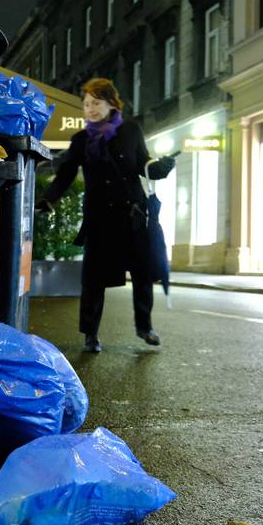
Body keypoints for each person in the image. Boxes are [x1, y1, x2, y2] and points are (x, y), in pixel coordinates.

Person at [37, 78, 176, 353]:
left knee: (142, 273)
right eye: (87, 104)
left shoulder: (131, 131)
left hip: (132, 215)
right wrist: (47, 201)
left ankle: (145, 327)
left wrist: (163, 166)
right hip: (99, 219)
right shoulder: (81, 140)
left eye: (96, 103)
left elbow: (143, 164)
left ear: (111, 103)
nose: (90, 109)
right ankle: (91, 334)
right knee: (93, 279)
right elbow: (64, 176)